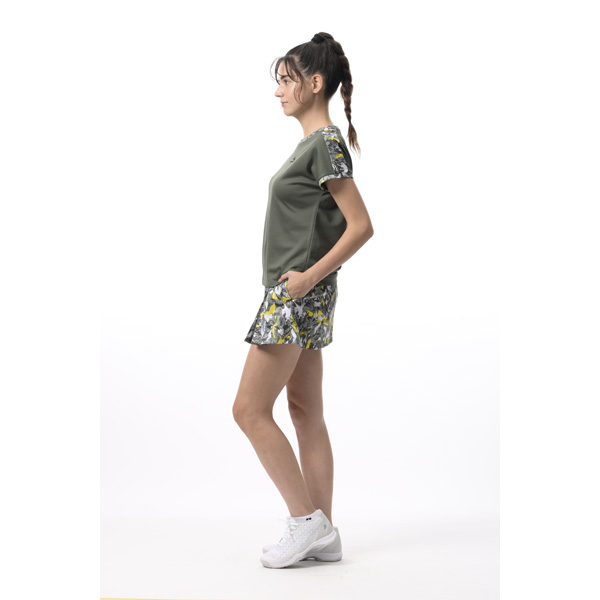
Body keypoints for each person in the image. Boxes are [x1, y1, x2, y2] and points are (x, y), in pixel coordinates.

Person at [232, 32, 374, 569]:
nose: (278, 92)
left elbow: (361, 226)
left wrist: (308, 278)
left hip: (295, 295)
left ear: (315, 83)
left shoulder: (324, 145)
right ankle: (324, 534)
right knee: (304, 410)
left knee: (248, 409)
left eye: (286, 81)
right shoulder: (315, 145)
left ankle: (304, 521)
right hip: (306, 293)